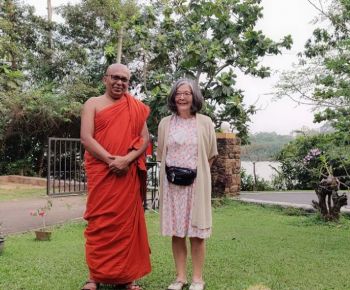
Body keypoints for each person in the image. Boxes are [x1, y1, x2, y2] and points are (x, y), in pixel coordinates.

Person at [80, 63, 151, 290]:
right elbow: (86, 138)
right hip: (103, 172)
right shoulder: (92, 103)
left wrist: (127, 160)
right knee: (99, 223)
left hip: (126, 173)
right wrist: (111, 160)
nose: (120, 82)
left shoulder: (135, 107)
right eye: (115, 77)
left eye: (125, 79)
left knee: (125, 225)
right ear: (105, 79)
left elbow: (144, 139)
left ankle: (126, 278)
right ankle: (95, 276)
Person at [157, 79, 218, 290]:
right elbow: (161, 154)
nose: (182, 97)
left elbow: (210, 154)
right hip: (172, 186)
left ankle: (198, 279)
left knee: (197, 233)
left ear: (195, 97)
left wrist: (196, 174)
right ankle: (180, 278)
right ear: (173, 97)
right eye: (178, 93)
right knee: (177, 232)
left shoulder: (205, 122)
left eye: (187, 93)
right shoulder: (165, 123)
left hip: (196, 185)